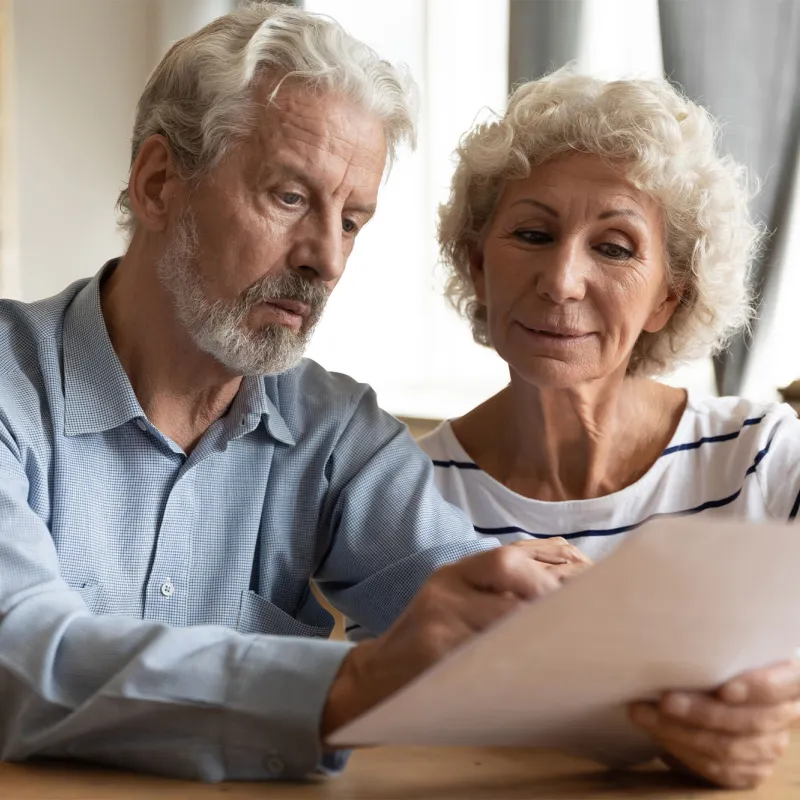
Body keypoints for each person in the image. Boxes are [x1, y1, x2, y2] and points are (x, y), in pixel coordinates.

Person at [0, 4, 795, 788]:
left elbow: (499, 619)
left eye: (352, 220)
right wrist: (351, 682)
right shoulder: (12, 388)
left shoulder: (339, 434)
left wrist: (691, 714)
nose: (325, 260)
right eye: (287, 198)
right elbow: (20, 659)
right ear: (158, 181)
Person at [414, 67, 800, 789]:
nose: (561, 280)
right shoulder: (406, 492)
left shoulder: (764, 458)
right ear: (477, 264)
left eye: (616, 248)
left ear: (667, 298)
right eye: (532, 233)